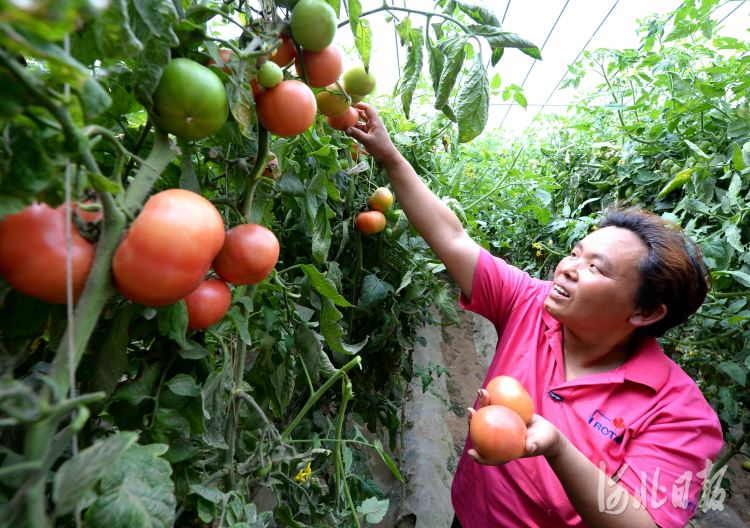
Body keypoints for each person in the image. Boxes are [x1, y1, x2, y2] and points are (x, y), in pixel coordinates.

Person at [345, 103, 724, 528]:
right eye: (575, 253)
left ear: (646, 311)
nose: (567, 268)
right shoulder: (530, 302)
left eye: (595, 268)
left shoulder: (681, 416)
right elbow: (452, 237)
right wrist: (390, 157)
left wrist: (558, 449)